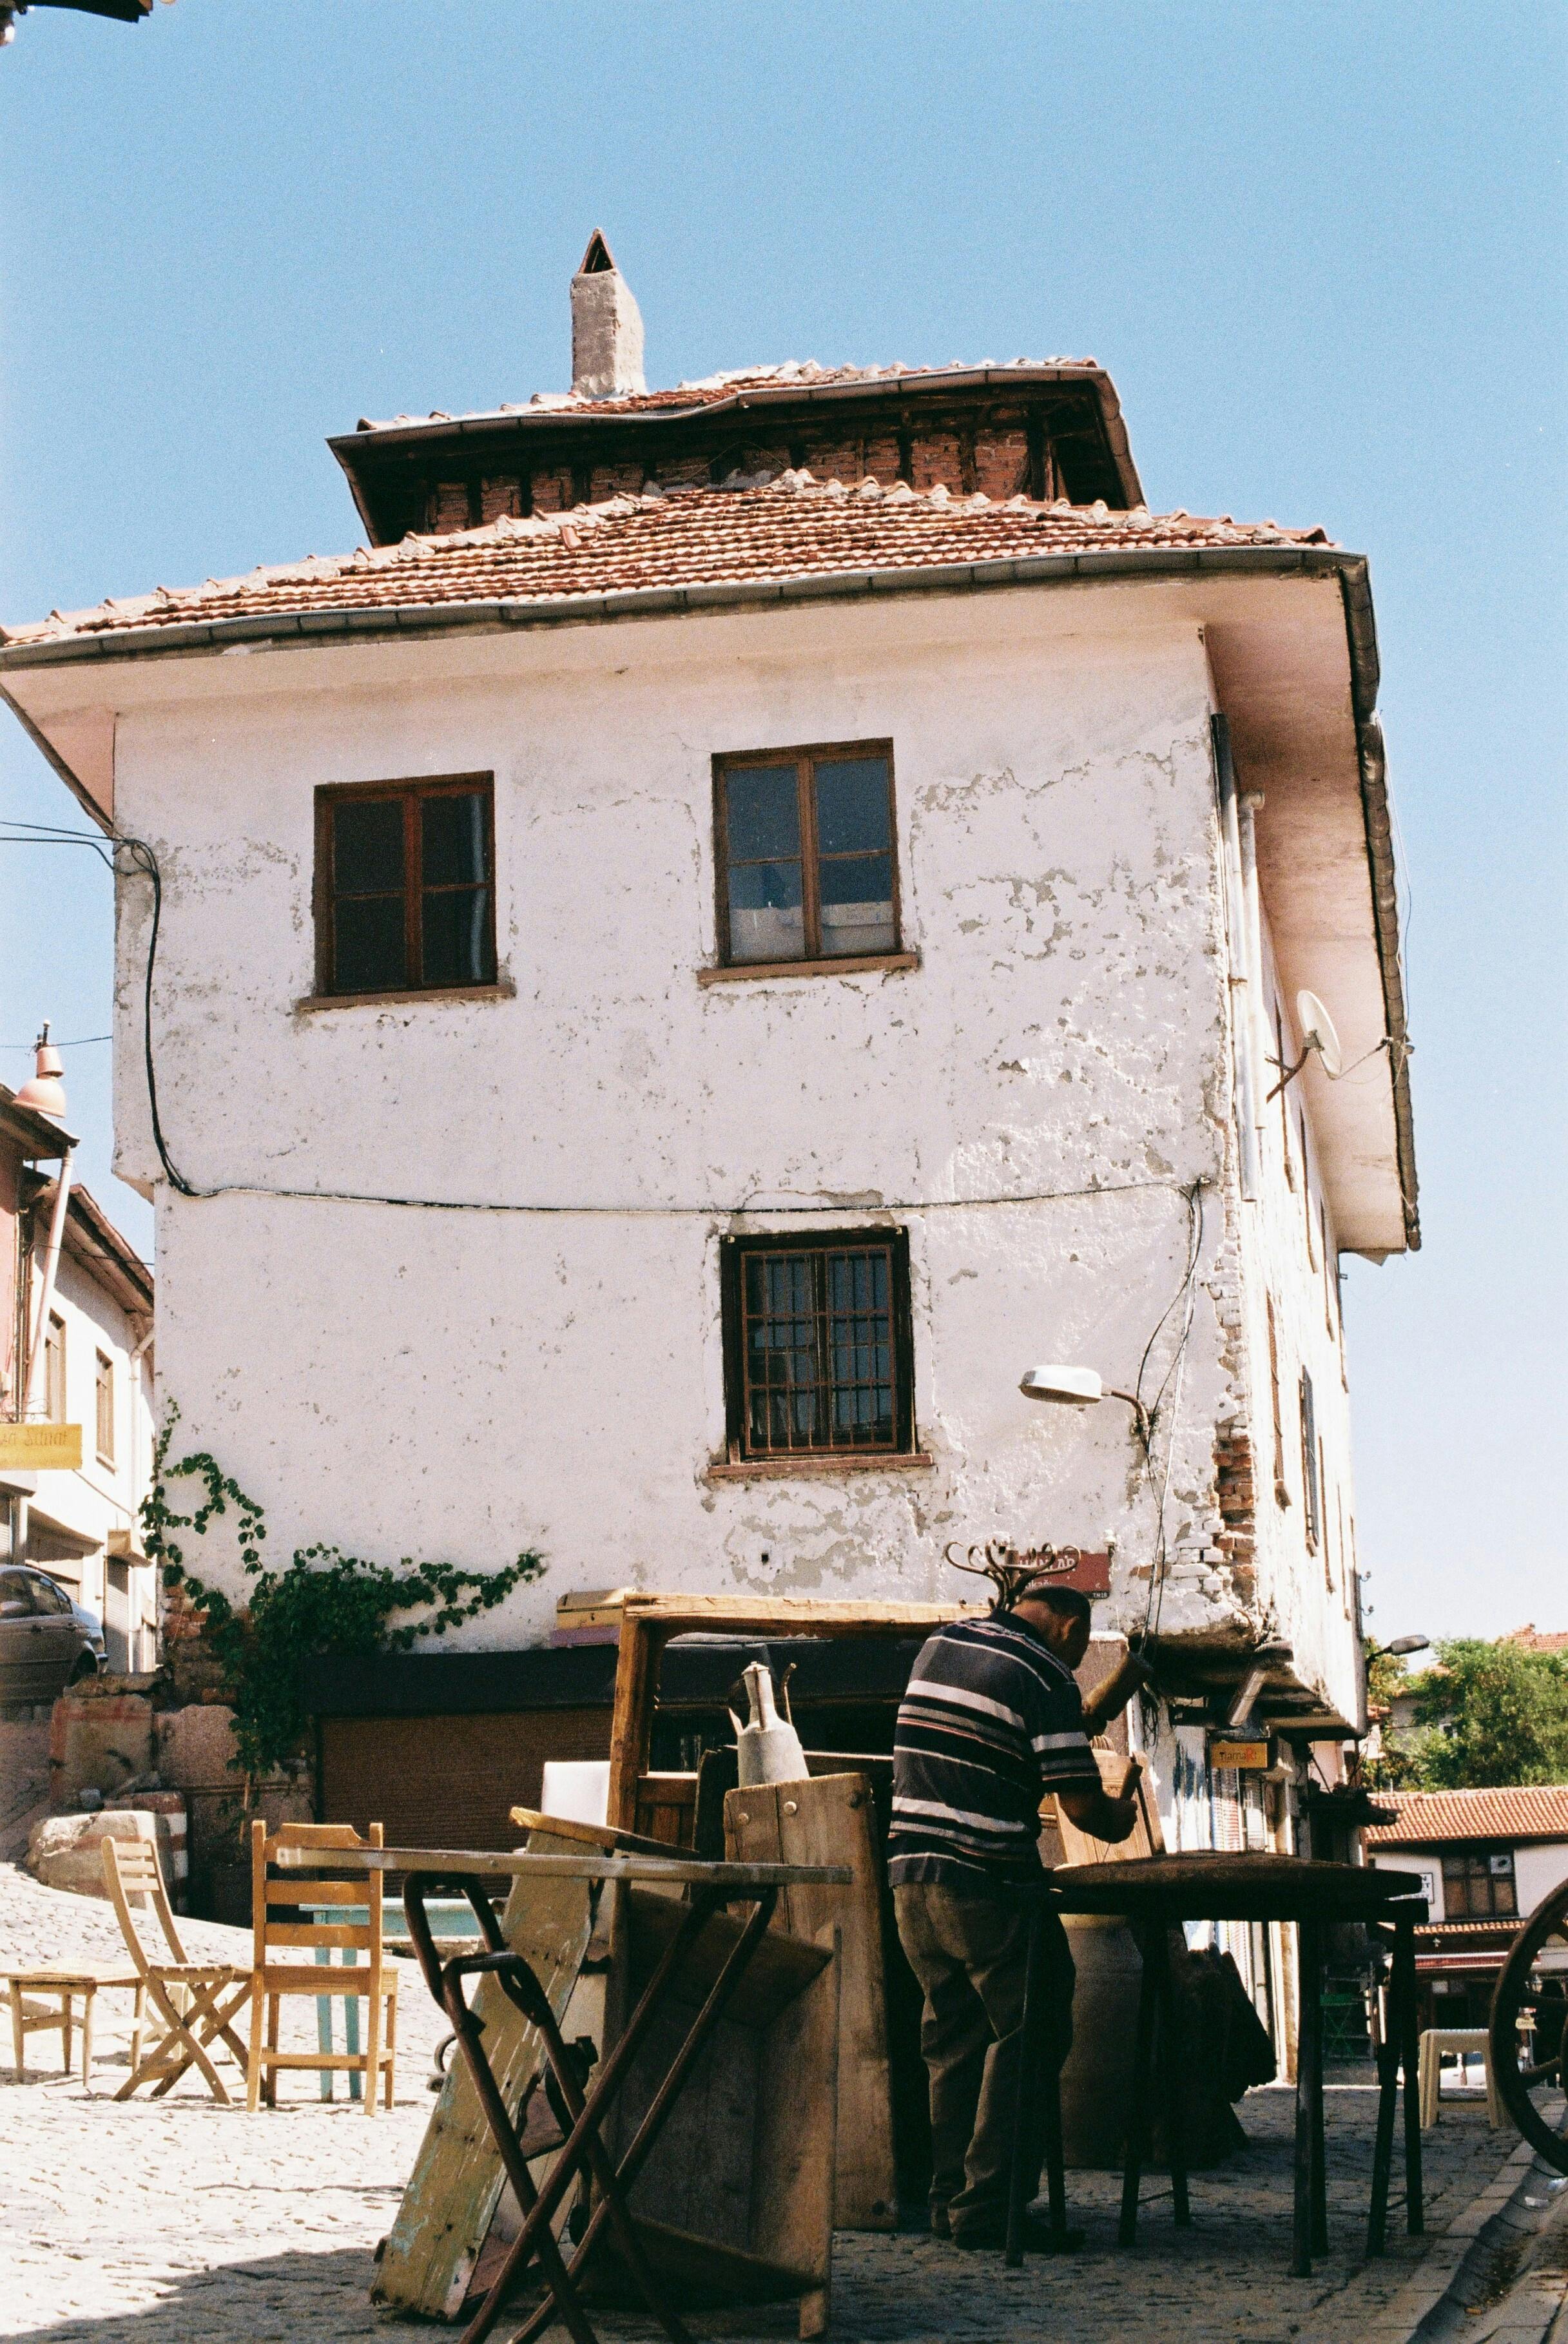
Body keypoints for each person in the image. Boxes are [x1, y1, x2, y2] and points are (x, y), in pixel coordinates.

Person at [888, 1576, 1140, 2250]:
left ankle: (949, 2200)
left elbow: (1004, 1740)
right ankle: (992, 2206)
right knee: (1033, 2030)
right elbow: (1084, 1808)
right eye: (1078, 1646)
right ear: (1068, 1627)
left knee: (953, 2041)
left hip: (911, 1879)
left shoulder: (942, 1645)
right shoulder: (1046, 1673)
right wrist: (1122, 1813)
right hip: (985, 1881)